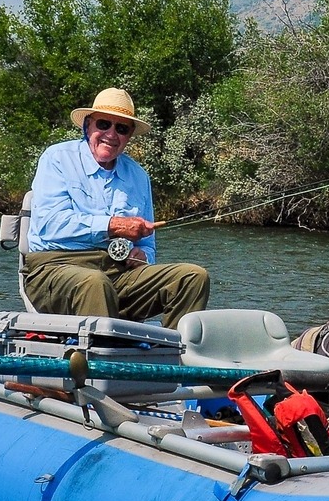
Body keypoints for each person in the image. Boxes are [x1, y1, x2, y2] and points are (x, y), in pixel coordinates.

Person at [24, 87, 210, 328]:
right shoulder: (57, 158)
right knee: (95, 283)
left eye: (121, 128)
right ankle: (101, 363)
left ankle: (173, 360)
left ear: (129, 135)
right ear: (88, 125)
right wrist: (113, 226)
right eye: (104, 124)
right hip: (54, 268)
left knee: (192, 277)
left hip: (118, 273)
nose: (111, 134)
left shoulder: (138, 176)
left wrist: (143, 256)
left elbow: (147, 245)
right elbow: (51, 225)